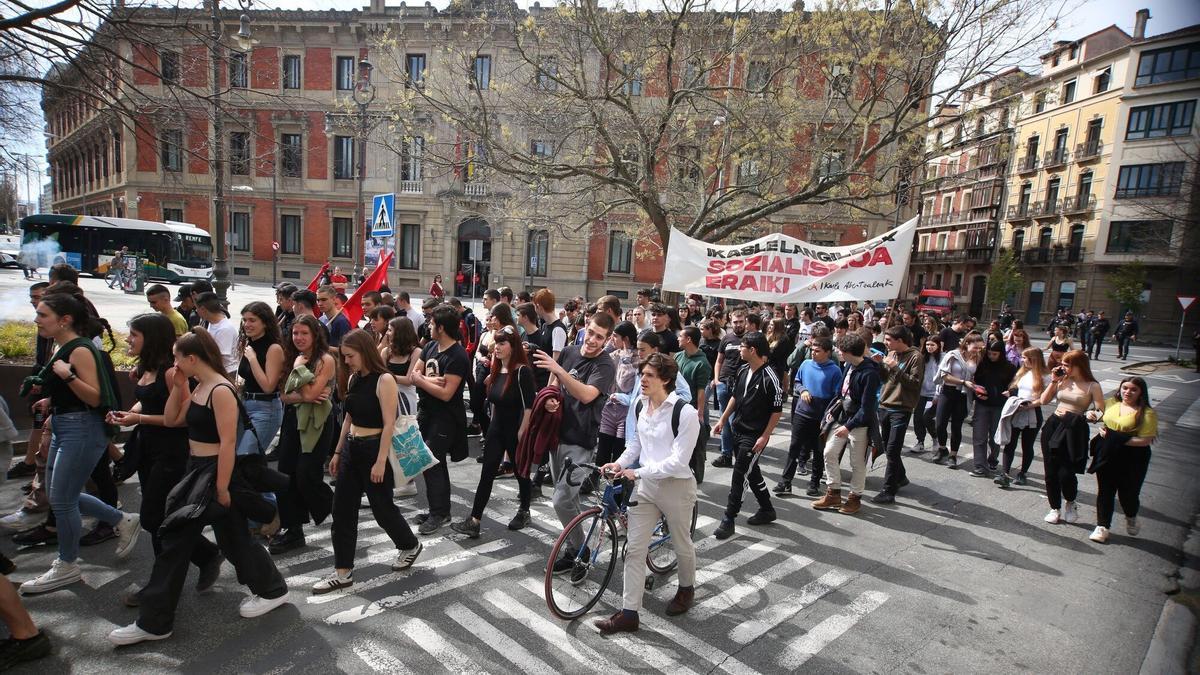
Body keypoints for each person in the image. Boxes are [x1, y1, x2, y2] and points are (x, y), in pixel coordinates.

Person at [108, 330, 290, 645]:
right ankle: (273, 589)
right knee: (233, 540)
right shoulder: (199, 386)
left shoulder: (221, 389)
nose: (174, 363)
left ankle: (154, 622)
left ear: (193, 358)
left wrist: (221, 486)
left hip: (213, 474)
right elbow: (173, 419)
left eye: (178, 357)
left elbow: (229, 441)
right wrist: (178, 387)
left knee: (175, 539)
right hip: (198, 471)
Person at [19, 293, 141, 595]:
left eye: (43, 315)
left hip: (82, 429)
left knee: (62, 500)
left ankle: (68, 564)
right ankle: (121, 519)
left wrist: (68, 376)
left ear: (65, 320)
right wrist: (52, 399)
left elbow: (95, 397)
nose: (37, 320)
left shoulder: (82, 350)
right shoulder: (63, 346)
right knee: (62, 495)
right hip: (66, 424)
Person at [109, 314, 224, 608]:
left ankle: (162, 585)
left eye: (134, 334)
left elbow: (181, 418)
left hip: (171, 452)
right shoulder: (145, 369)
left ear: (151, 338)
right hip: (148, 448)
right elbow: (147, 400)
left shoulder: (172, 373)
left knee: (154, 518)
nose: (128, 339)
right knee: (159, 518)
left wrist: (138, 417)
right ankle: (203, 556)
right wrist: (129, 413)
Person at [595, 352, 700, 634]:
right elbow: (635, 445)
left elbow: (678, 461)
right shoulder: (640, 404)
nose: (642, 379)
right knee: (634, 549)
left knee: (681, 543)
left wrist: (637, 472)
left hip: (676, 487)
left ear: (665, 379)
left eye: (649, 375)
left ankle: (686, 589)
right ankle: (630, 613)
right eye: (642, 374)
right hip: (646, 487)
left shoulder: (685, 413)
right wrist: (619, 463)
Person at [311, 330, 423, 593]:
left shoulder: (384, 379)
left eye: (350, 356)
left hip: (374, 449)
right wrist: (337, 452)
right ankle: (342, 571)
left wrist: (380, 461)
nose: (347, 361)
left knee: (382, 509)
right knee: (342, 511)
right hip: (352, 448)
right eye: (345, 357)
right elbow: (348, 419)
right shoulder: (353, 378)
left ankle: (409, 545)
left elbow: (388, 423)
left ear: (364, 352)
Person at [535, 313, 617, 574]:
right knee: (567, 502)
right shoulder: (570, 351)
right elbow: (553, 386)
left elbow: (586, 395)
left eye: (599, 337)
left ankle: (581, 551)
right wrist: (548, 399)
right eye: (590, 332)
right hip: (557, 436)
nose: (592, 340)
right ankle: (574, 550)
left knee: (561, 501)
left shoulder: (605, 366)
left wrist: (558, 369)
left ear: (607, 340)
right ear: (584, 328)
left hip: (581, 442)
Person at [452, 328, 537, 537]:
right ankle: (474, 520)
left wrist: (522, 431)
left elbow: (529, 406)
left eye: (502, 343)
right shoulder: (496, 370)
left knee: (520, 472)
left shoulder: (522, 372)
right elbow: (495, 403)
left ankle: (524, 510)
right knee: (487, 473)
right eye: (496, 343)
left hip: (515, 431)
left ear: (513, 346)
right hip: (496, 430)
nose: (497, 347)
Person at [269, 315, 335, 554]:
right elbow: (286, 396)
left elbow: (310, 395)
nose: (299, 338)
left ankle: (335, 505)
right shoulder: (290, 358)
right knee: (286, 474)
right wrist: (302, 392)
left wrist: (299, 369)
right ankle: (293, 530)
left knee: (307, 474)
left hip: (318, 422)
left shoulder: (325, 360)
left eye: (304, 333)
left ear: (315, 334)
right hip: (292, 420)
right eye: (295, 333)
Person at [712, 331, 782, 539]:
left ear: (752, 350)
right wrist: (723, 419)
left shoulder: (770, 377)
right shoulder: (743, 370)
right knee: (751, 472)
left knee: (740, 474)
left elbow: (777, 411)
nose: (738, 349)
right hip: (737, 429)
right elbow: (735, 396)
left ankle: (729, 518)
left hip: (755, 436)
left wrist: (765, 436)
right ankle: (767, 509)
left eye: (742, 347)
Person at [410, 305, 471, 534]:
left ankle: (438, 513)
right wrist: (433, 381)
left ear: (442, 327)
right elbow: (412, 374)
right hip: (426, 412)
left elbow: (446, 393)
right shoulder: (431, 346)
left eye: (432, 323)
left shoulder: (457, 355)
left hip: (445, 417)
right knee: (433, 463)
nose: (428, 326)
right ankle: (440, 510)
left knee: (431, 462)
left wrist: (424, 381)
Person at [812, 332, 880, 515]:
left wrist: (848, 426)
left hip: (859, 424)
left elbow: (867, 408)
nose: (838, 353)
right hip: (842, 417)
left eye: (841, 350)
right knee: (829, 452)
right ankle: (833, 493)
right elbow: (840, 394)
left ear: (850, 352)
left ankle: (854, 498)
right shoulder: (848, 365)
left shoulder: (870, 373)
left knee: (857, 463)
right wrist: (828, 415)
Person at [1036, 350, 1105, 525]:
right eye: (1063, 364)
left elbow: (1101, 411)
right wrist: (1054, 381)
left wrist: (1092, 415)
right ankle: (1054, 508)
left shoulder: (1092, 386)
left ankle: (1070, 502)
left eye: (1067, 364)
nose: (1062, 367)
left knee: (1066, 472)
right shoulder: (1062, 380)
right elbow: (1044, 400)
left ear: (1079, 365)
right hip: (1054, 424)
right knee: (1050, 471)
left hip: (1074, 428)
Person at [1090, 377, 1158, 543]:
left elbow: (1144, 441)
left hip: (1133, 457)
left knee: (1128, 494)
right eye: (1125, 388)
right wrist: (1091, 415)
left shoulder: (1147, 413)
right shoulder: (1112, 402)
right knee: (1105, 491)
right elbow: (1098, 415)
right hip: (1107, 452)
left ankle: (1131, 516)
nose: (1127, 392)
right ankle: (1102, 526)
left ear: (1141, 393)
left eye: (1133, 389)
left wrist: (1113, 437)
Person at [776, 335, 840, 497]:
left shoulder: (835, 371)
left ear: (827, 352)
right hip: (802, 413)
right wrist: (803, 390)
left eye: (817, 351)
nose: (813, 353)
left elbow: (837, 396)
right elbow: (797, 381)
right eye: (812, 350)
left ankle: (814, 483)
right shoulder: (805, 364)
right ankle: (785, 482)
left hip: (821, 417)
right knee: (794, 447)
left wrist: (829, 416)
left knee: (818, 451)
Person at [871, 325, 923, 504]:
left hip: (901, 408)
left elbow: (915, 384)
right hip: (884, 404)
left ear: (900, 341)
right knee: (887, 446)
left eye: (888, 340)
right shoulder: (891, 354)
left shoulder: (915, 357)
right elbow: (886, 379)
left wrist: (896, 368)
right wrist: (880, 364)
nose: (885, 343)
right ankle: (900, 476)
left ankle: (888, 490)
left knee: (893, 449)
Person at [996, 347, 1048, 488]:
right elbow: (1017, 388)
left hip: (1033, 412)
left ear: (1034, 359)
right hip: (1017, 409)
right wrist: (1011, 392)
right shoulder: (1023, 372)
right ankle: (1005, 474)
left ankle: (1022, 473)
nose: (1022, 360)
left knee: (1027, 445)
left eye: (1025, 358)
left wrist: (1029, 406)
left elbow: (1045, 399)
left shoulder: (1044, 375)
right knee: (1010, 443)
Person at [932, 333, 983, 468]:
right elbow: (944, 376)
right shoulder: (953, 355)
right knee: (940, 423)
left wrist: (975, 385)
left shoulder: (978, 358)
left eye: (980, 348)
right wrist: (963, 381)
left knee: (956, 425)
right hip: (948, 391)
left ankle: (953, 455)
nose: (978, 350)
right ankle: (942, 448)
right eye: (975, 347)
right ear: (967, 343)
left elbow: (976, 376)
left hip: (964, 395)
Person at [967, 341, 1017, 478]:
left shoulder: (1010, 368)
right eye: (989, 353)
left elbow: (1015, 384)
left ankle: (992, 460)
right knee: (979, 436)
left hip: (1000, 405)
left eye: (994, 354)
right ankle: (980, 467)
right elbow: (975, 380)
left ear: (1001, 354)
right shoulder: (982, 364)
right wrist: (976, 391)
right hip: (982, 404)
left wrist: (1011, 391)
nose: (991, 356)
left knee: (996, 436)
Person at [711, 309, 748, 468]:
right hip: (724, 383)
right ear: (730, 322)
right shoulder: (726, 338)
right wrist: (717, 379)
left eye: (741, 322)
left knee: (736, 422)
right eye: (735, 322)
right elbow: (719, 361)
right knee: (724, 421)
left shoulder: (750, 338)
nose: (738, 325)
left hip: (742, 385)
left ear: (745, 321)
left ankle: (740, 454)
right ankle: (726, 455)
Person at [910, 335, 942, 454]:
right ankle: (920, 442)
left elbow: (942, 378)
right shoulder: (922, 357)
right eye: (927, 344)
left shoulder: (943, 358)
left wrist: (937, 395)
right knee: (917, 417)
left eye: (932, 345)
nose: (929, 347)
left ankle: (935, 438)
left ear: (938, 345)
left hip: (935, 393)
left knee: (927, 417)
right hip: (921, 392)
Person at [195, 292, 238, 377]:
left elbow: (219, 357)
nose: (196, 311)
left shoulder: (225, 329)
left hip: (225, 372)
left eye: (197, 308)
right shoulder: (210, 322)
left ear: (203, 309)